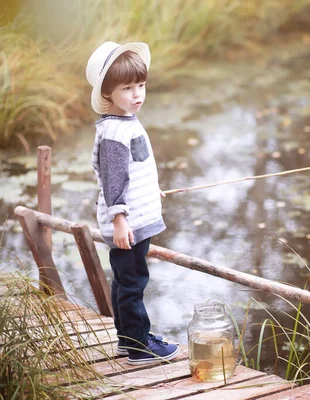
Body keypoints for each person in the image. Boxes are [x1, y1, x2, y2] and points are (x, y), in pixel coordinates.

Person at [86, 41, 180, 364]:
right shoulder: (114, 131)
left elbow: (133, 171)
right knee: (133, 281)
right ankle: (139, 345)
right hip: (127, 223)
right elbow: (113, 181)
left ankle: (127, 338)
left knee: (125, 278)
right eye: (128, 88)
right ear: (108, 92)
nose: (137, 94)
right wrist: (119, 220)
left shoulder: (126, 121)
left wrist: (151, 191)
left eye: (140, 85)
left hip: (134, 216)